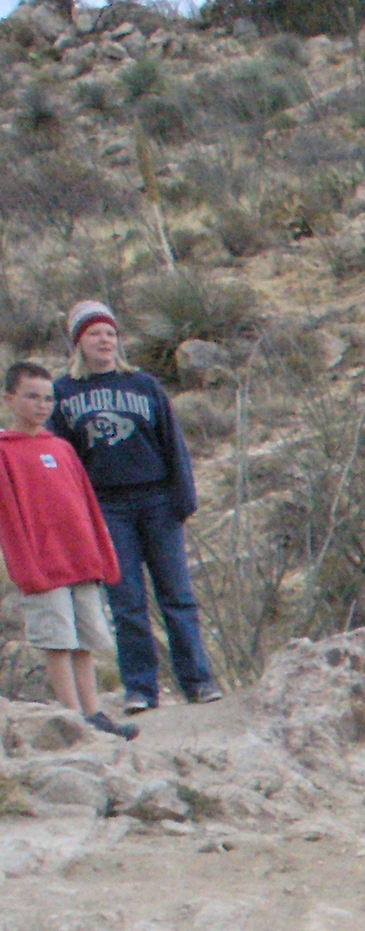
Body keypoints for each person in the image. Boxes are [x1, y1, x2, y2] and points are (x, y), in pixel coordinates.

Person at [51, 299, 218, 715]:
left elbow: (172, 443)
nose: (104, 340)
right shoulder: (63, 393)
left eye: (110, 333)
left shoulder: (144, 386)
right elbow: (63, 460)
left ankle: (198, 682)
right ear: (79, 342)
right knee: (126, 603)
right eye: (94, 333)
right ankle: (141, 689)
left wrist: (183, 498)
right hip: (106, 507)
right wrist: (75, 517)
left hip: (157, 500)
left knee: (177, 596)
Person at [1, 358, 130, 739]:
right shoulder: (5, 452)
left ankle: (94, 712)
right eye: (31, 396)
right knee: (58, 640)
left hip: (80, 559)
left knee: (85, 639)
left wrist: (102, 555)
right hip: (44, 566)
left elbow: (87, 504)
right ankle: (72, 718)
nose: (41, 405)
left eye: (47, 398)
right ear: (9, 399)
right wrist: (27, 568)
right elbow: (9, 518)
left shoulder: (61, 448)